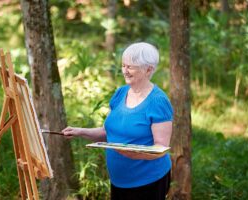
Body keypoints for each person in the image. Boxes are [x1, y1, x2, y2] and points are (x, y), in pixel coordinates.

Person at [62, 42, 173, 200]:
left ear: (149, 69)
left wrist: (135, 154)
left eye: (131, 67)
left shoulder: (158, 101)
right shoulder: (121, 93)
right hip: (119, 181)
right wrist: (80, 131)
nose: (125, 71)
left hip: (148, 181)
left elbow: (161, 147)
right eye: (123, 66)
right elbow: (109, 132)